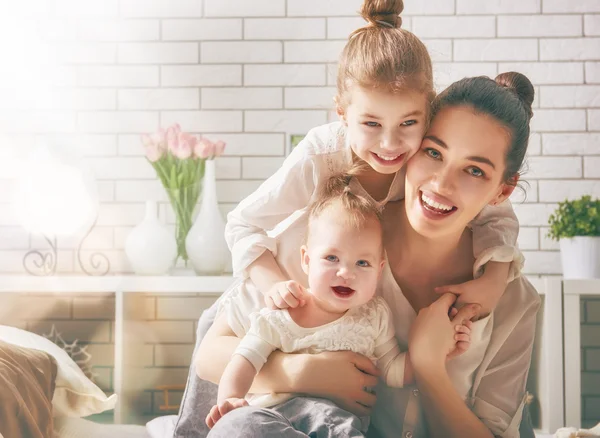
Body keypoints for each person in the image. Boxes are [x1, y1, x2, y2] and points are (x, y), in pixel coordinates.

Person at [200, 71, 540, 438]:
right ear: (409, 150)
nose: (441, 184)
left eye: (474, 170)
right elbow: (211, 353)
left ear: (501, 192)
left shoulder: (513, 301)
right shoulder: (339, 243)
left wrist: (427, 366)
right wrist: (305, 371)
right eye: (433, 152)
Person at [205, 176, 474, 435]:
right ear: (306, 260)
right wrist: (230, 400)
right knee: (242, 427)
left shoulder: (373, 316)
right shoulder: (284, 312)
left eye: (362, 263)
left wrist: (438, 353)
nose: (346, 272)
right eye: (332, 258)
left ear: (379, 271)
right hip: (277, 418)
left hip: (337, 426)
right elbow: (244, 360)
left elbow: (392, 369)